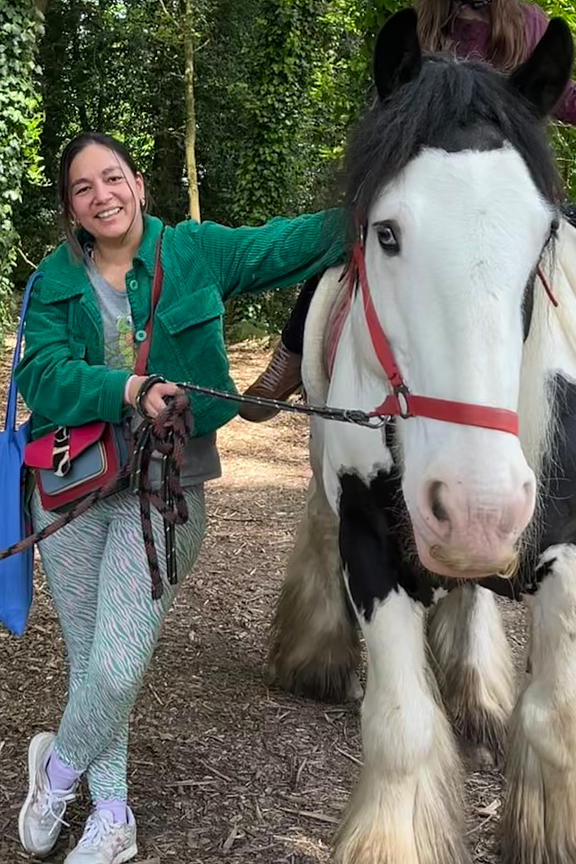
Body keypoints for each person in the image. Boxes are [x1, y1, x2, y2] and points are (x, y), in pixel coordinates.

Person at [14, 132, 347, 864]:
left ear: (137, 184)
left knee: (117, 663)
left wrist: (386, 184)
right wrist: (128, 387)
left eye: (112, 178)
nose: (102, 196)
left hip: (168, 491)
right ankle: (112, 813)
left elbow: (290, 244)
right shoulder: (55, 280)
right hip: (70, 489)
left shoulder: (194, 251)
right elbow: (42, 376)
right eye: (82, 188)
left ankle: (57, 770)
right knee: (91, 659)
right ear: (70, 206)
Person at [239, 0, 576, 422]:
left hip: (503, 188)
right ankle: (291, 354)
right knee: (343, 239)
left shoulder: (527, 21)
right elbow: (392, 100)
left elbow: (559, 95)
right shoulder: (423, 19)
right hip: (427, 181)